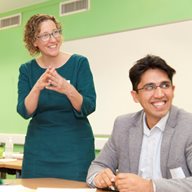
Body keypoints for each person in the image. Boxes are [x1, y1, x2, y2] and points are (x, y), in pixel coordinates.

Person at [86, 55, 192, 192]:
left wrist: (150, 187)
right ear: (135, 96)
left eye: (165, 85)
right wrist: (99, 177)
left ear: (173, 90)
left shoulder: (188, 126)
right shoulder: (123, 125)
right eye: (149, 87)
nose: (159, 94)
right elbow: (98, 165)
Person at [17, 14, 96, 181]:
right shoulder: (27, 70)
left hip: (76, 151)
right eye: (45, 35)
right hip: (38, 152)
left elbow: (89, 106)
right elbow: (24, 111)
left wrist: (67, 88)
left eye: (55, 32)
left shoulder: (79, 63)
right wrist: (37, 87)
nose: (53, 39)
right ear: (34, 41)